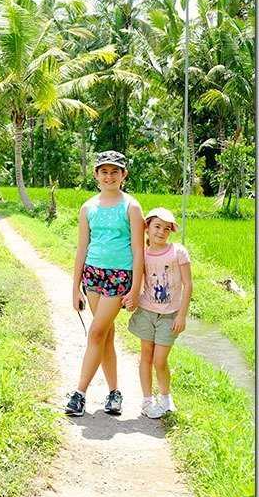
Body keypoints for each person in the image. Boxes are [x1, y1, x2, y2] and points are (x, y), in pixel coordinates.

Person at [66, 150, 144, 417]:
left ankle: (79, 393)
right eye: (104, 171)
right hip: (92, 276)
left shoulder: (131, 207)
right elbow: (81, 248)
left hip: (119, 277)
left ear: (124, 175)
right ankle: (114, 393)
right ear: (96, 175)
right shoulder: (88, 208)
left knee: (96, 332)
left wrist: (136, 289)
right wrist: (75, 286)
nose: (109, 176)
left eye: (115, 171)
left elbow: (138, 250)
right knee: (106, 336)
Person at [128, 207, 192, 418]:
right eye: (157, 226)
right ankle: (147, 400)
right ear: (147, 228)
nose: (161, 232)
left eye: (166, 228)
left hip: (170, 315)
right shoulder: (141, 254)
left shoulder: (178, 252)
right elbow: (138, 280)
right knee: (146, 355)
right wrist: (132, 297)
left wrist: (182, 315)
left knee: (159, 360)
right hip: (146, 310)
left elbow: (188, 285)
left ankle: (165, 397)